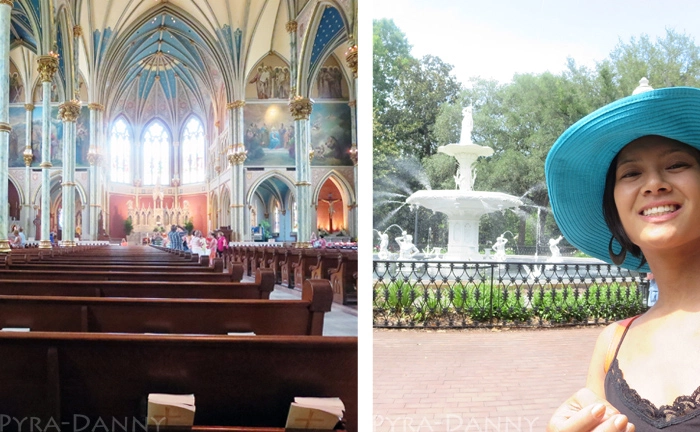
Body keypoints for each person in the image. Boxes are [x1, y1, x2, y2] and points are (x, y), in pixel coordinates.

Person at [545, 86, 700, 431]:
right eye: (631, 173)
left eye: (676, 164)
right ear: (614, 208)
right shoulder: (611, 343)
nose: (654, 184)